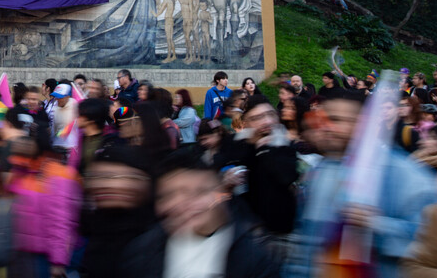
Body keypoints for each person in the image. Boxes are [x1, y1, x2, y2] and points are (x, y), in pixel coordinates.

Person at [285, 91, 437, 278]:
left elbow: (433, 241)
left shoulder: (406, 174)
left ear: (363, 123)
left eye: (337, 120)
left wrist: (377, 224)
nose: (325, 126)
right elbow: (308, 243)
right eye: (323, 118)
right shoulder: (323, 170)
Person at [122, 147, 281, 278]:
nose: (181, 203)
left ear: (221, 193)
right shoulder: (141, 252)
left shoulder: (255, 259)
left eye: (198, 192)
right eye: (170, 194)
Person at [4, 117, 81, 278]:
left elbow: (60, 221)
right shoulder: (23, 170)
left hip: (45, 259)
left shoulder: (58, 175)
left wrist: (58, 262)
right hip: (21, 254)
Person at [220, 95, 299, 238]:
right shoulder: (236, 143)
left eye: (270, 114)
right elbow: (221, 169)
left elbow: (287, 176)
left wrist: (265, 150)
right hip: (243, 229)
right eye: (257, 118)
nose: (267, 121)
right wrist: (226, 179)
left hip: (279, 229)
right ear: (245, 123)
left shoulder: (283, 143)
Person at [80, 143, 154, 278]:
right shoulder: (96, 225)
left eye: (117, 177)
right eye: (96, 177)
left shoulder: (157, 238)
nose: (104, 185)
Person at [50, 83, 78, 152]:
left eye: (60, 97)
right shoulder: (54, 108)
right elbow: (55, 129)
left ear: (68, 96)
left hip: (72, 148)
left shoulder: (76, 106)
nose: (57, 99)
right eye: (56, 96)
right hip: (57, 146)